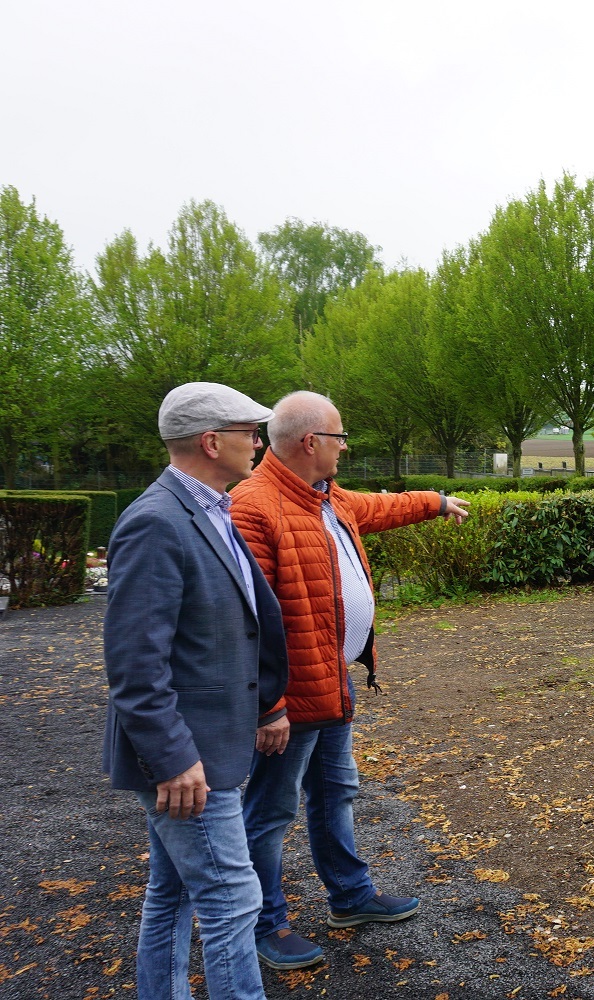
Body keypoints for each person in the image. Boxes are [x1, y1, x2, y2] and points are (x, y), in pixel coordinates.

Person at [230, 390, 470, 970]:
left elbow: (378, 508)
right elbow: (248, 622)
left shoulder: (324, 497)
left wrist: (435, 502)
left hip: (331, 681)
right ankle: (262, 923)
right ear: (311, 443)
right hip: (291, 696)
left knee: (335, 792)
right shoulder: (254, 507)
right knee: (269, 812)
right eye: (340, 438)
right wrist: (270, 706)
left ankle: (350, 897)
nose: (344, 448)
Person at [102, 382, 290, 1000]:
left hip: (214, 749)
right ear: (212, 441)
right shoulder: (157, 522)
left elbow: (228, 630)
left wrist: (265, 704)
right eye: (248, 432)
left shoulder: (213, 509)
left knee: (174, 891)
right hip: (191, 762)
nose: (258, 443)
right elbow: (135, 664)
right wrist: (173, 759)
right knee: (234, 898)